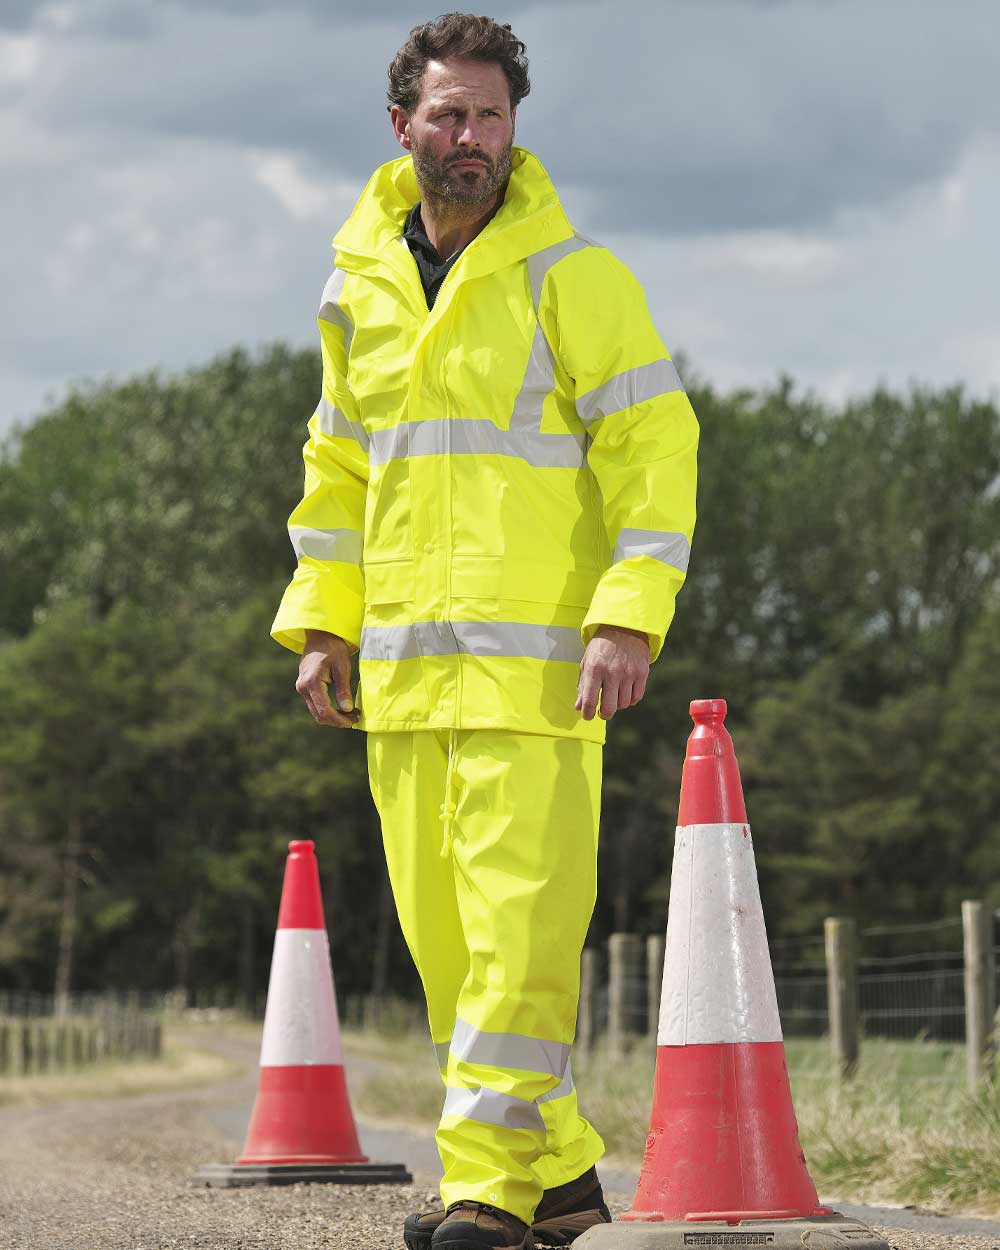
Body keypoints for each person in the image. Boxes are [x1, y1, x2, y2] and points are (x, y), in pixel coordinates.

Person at [271, 13, 698, 1249]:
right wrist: (323, 626)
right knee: (453, 962)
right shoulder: (356, 288)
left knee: (516, 947)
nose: (471, 139)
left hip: (540, 685)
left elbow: (656, 454)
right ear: (401, 123)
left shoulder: (577, 278)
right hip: (399, 688)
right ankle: (559, 1175)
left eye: (493, 117)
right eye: (449, 115)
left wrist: (627, 615)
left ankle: (486, 1196)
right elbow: (336, 470)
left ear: (517, 129)